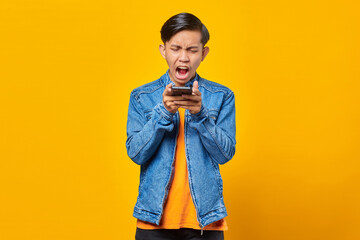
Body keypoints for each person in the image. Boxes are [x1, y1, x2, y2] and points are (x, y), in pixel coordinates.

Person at [126, 12, 236, 240]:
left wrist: (201, 115)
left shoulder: (222, 96)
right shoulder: (141, 97)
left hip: (205, 221)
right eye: (176, 48)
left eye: (192, 50)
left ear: (203, 53)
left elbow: (225, 154)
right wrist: (163, 113)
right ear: (163, 50)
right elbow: (136, 153)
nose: (184, 58)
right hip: (153, 221)